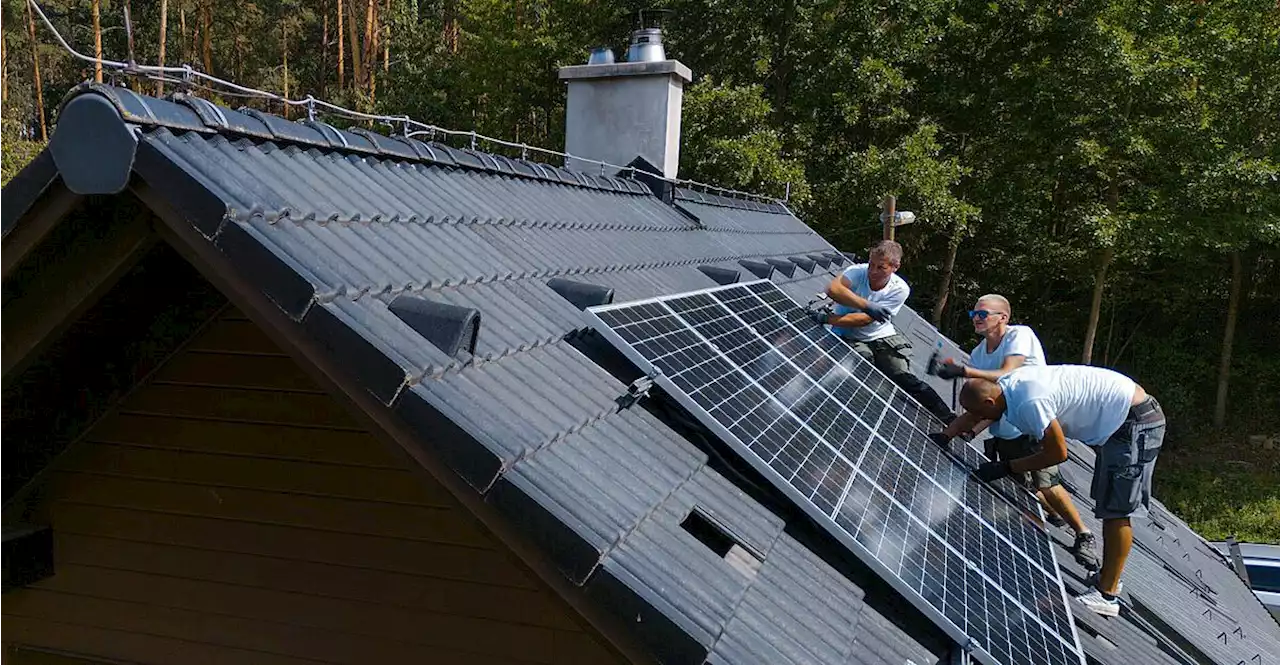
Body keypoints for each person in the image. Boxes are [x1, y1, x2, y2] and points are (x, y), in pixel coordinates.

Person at [946, 365, 1166, 617]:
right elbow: (976, 410)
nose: (975, 419)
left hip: (1133, 422)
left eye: (978, 413)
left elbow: (1058, 453)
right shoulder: (1007, 385)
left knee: (1116, 511)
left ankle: (1108, 595)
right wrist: (946, 435)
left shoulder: (1030, 402)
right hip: (1122, 417)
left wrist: (1006, 467)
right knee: (1107, 505)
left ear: (989, 401)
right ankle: (1108, 576)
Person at [931, 295, 1099, 573]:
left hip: (1033, 423)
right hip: (1005, 431)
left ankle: (1083, 534)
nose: (976, 317)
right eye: (974, 313)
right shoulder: (979, 353)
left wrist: (963, 370)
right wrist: (948, 435)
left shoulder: (1020, 335)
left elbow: (1008, 374)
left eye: (983, 313)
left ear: (1003, 318)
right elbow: (982, 403)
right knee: (1022, 489)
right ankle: (1052, 514)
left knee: (1048, 483)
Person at [814, 240, 956, 424]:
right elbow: (833, 289)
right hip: (848, 334)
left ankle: (948, 418)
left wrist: (827, 319)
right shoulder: (857, 272)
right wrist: (867, 305)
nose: (872, 271)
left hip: (881, 335)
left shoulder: (899, 289)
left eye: (880, 267)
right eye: (871, 264)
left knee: (904, 377)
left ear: (895, 267)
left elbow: (864, 320)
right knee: (862, 366)